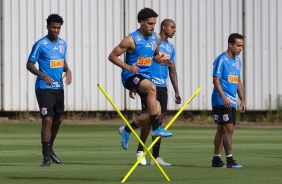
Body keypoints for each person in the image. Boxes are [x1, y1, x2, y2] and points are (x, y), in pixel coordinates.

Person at [108, 8, 173, 151]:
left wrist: (163, 61)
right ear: (141, 22)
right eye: (150, 23)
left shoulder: (156, 38)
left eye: (154, 23)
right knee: (151, 88)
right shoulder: (131, 39)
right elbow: (112, 56)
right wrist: (127, 67)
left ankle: (126, 130)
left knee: (154, 112)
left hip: (145, 77)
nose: (152, 27)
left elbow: (155, 56)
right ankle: (156, 128)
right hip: (130, 76)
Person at [129, 19, 181, 166]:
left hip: (163, 87)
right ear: (164, 27)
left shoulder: (171, 48)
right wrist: (134, 86)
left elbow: (172, 70)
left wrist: (177, 91)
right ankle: (140, 151)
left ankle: (155, 157)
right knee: (149, 119)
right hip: (149, 84)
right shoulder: (152, 41)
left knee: (158, 122)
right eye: (172, 27)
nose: (174, 30)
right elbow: (140, 62)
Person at [26, 14, 72, 167]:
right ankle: (46, 157)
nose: (56, 30)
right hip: (44, 88)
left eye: (58, 28)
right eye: (53, 27)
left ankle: (50, 148)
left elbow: (61, 61)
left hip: (59, 88)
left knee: (59, 119)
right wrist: (42, 74)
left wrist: (68, 70)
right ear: (48, 27)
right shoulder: (40, 44)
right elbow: (30, 64)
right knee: (47, 120)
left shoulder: (62, 44)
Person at [211, 33, 246, 168]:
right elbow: (216, 80)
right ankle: (230, 160)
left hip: (231, 100)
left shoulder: (238, 61)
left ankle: (216, 159)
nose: (240, 48)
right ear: (230, 44)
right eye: (238, 45)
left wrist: (242, 99)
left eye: (241, 46)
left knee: (221, 129)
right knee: (229, 129)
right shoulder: (221, 59)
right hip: (221, 99)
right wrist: (224, 97)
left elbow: (238, 81)